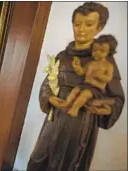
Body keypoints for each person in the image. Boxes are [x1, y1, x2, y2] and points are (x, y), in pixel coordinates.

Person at [27, 2, 125, 171]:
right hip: (55, 117)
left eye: (89, 24)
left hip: (80, 124)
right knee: (38, 160)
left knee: (67, 164)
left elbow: (117, 99)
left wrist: (101, 106)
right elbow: (48, 84)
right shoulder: (63, 56)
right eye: (77, 24)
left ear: (99, 28)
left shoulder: (104, 61)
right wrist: (50, 98)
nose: (81, 29)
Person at [50, 34, 118, 117]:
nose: (97, 53)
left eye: (102, 51)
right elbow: (82, 72)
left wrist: (100, 76)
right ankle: (67, 103)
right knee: (75, 90)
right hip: (85, 85)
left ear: (109, 52)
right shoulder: (91, 63)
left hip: (96, 89)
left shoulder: (108, 66)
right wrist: (77, 66)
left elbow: (108, 78)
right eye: (95, 50)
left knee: (84, 95)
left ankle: (75, 109)